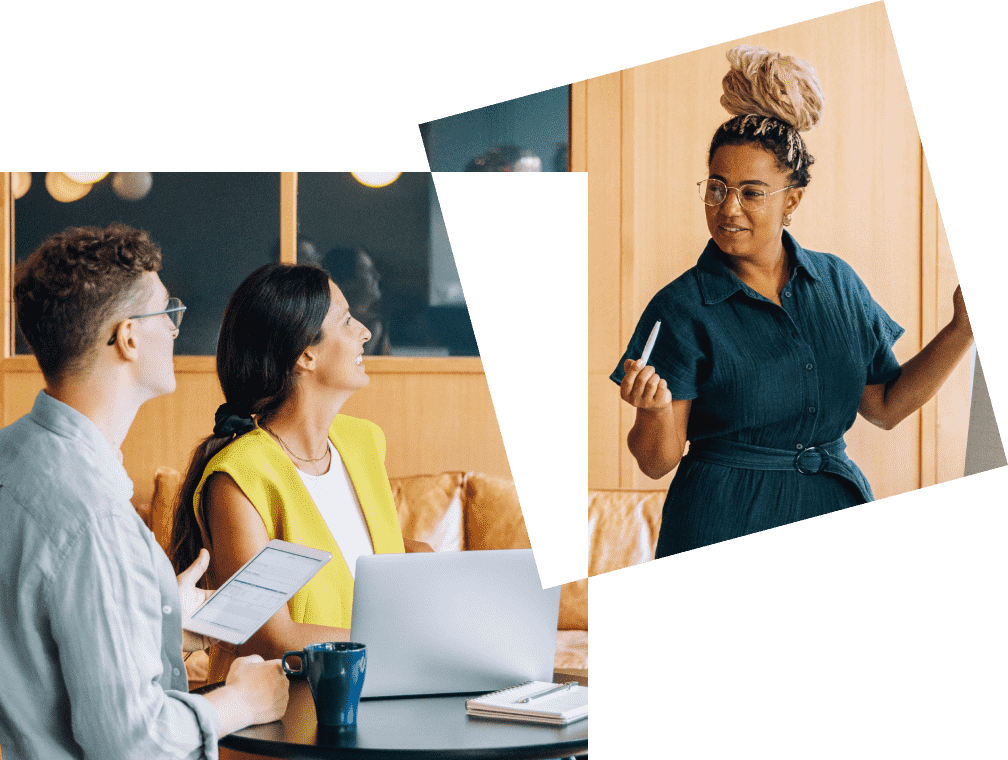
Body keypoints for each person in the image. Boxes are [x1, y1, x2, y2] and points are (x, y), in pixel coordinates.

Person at [611, 46, 975, 557]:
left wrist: (963, 327)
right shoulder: (680, 306)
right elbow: (656, 461)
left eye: (751, 192)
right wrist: (651, 411)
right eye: (716, 188)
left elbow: (886, 406)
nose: (727, 208)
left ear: (793, 199)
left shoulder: (838, 284)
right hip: (720, 520)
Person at [0, 224, 288, 760]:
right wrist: (241, 703)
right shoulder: (94, 518)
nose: (176, 329)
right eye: (167, 312)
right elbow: (133, 742)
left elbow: (28, 646)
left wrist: (155, 614)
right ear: (128, 336)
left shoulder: (12, 454)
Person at [169, 263, 431, 683]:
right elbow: (271, 637)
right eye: (346, 320)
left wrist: (418, 559)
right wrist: (407, 645)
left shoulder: (365, 442)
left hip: (374, 687)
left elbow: (353, 554)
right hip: (279, 712)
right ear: (305, 355)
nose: (364, 330)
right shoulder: (238, 476)